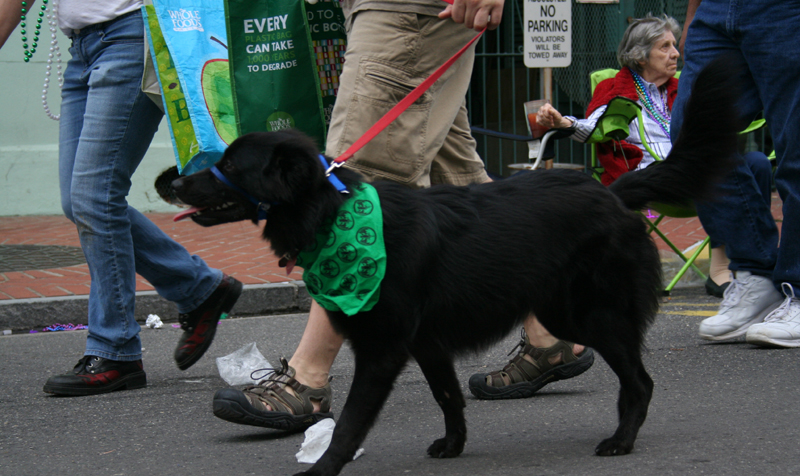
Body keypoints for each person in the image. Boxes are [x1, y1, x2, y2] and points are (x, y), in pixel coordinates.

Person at [211, 0, 595, 430]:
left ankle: (307, 379)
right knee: (458, 178)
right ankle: (548, 333)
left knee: (354, 191)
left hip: (406, 9)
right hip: (403, 11)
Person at [1, 0, 242, 396]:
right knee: (78, 200)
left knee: (95, 195)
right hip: (82, 48)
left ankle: (115, 350)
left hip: (130, 36)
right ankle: (200, 288)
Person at [534, 14, 772, 299]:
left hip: (690, 171)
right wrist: (565, 124)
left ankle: (736, 263)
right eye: (665, 47)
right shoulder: (614, 89)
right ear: (641, 55)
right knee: (715, 172)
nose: (675, 53)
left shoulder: (683, 87)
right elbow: (596, 126)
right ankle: (725, 269)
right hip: (650, 177)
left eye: (674, 45)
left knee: (756, 162)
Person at [673, 0, 800, 347]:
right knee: (694, 137)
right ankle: (756, 274)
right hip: (715, 11)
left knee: (796, 152)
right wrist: (693, 15)